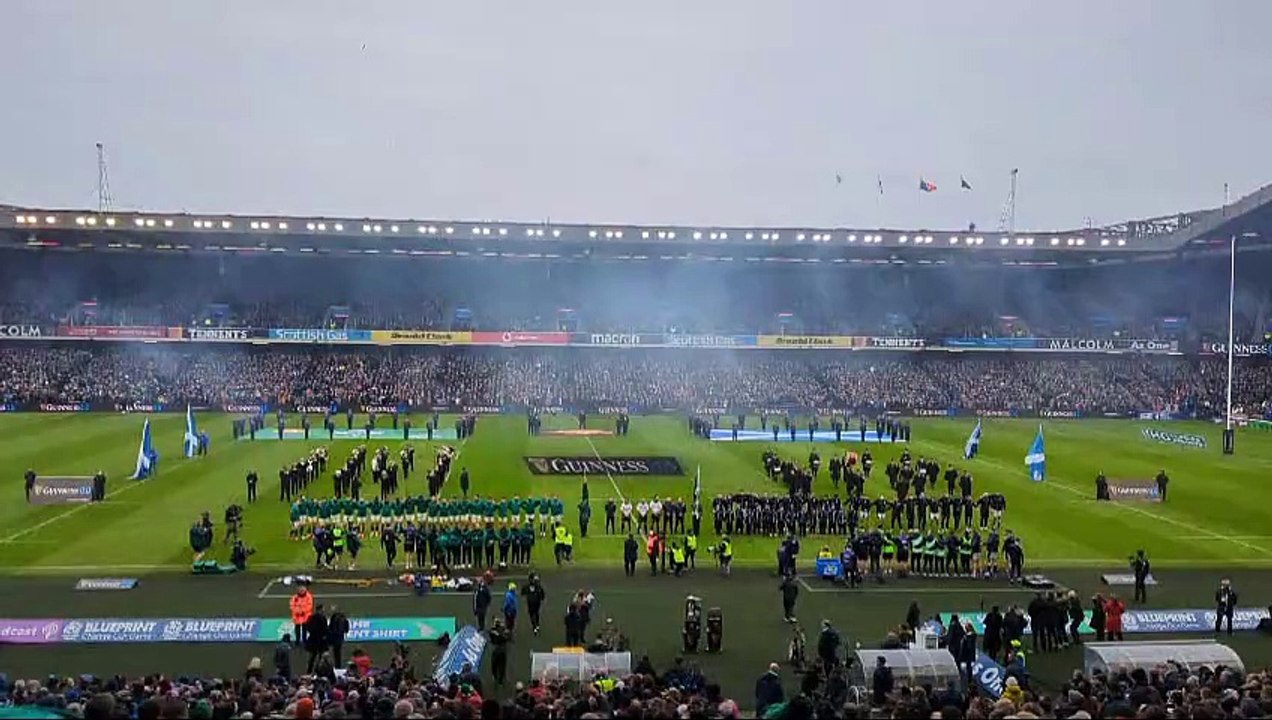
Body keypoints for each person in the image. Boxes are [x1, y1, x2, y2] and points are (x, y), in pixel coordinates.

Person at [304, 604, 329, 673]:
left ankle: (309, 671)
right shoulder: (322, 618)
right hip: (320, 641)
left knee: (312, 657)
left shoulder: (311, 617)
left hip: (313, 640)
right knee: (320, 657)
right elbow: (325, 629)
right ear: (320, 609)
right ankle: (318, 671)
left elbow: (308, 627)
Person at [489, 619, 511, 686]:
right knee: (502, 665)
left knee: (494, 664)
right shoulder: (503, 632)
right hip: (502, 651)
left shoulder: (494, 632)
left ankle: (495, 676)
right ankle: (500, 679)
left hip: (496, 650)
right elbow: (508, 638)